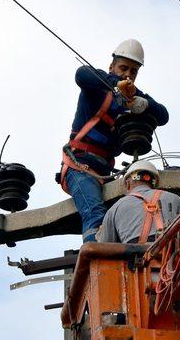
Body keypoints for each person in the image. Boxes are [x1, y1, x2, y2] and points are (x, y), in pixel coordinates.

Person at [58, 39, 170, 242]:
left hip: (105, 174)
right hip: (79, 167)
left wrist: (143, 104)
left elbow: (163, 115)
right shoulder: (96, 88)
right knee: (95, 215)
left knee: (122, 215)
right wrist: (114, 83)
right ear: (112, 67)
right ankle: (95, 260)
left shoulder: (132, 98)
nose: (128, 74)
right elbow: (81, 74)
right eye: (123, 68)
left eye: (133, 71)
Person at [96, 161, 180, 244]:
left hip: (134, 258)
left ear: (127, 184)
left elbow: (105, 248)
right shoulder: (178, 200)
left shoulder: (115, 208)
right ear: (154, 183)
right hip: (175, 257)